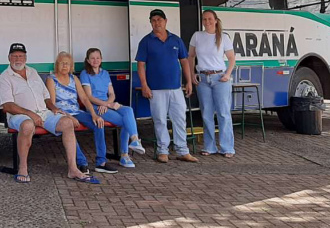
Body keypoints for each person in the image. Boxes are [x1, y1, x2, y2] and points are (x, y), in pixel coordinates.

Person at [0, 42, 100, 184]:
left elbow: (46, 96)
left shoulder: (33, 72)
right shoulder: (4, 78)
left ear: (25, 58)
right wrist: (31, 114)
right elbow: (7, 106)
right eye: (14, 56)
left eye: (21, 56)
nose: (18, 59)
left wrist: (53, 107)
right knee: (27, 126)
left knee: (67, 123)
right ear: (9, 58)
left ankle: (73, 169)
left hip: (43, 112)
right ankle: (23, 168)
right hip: (19, 115)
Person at [136, 9, 199, 163]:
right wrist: (144, 85)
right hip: (156, 89)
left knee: (179, 119)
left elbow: (184, 61)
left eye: (159, 20)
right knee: (160, 120)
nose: (157, 23)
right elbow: (141, 65)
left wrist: (189, 81)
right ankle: (162, 150)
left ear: (165, 21)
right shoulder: (146, 41)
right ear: (150, 22)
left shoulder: (176, 40)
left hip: (176, 88)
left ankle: (182, 151)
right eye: (153, 20)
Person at [45, 52, 113, 173]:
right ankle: (81, 162)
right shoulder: (51, 80)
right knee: (69, 127)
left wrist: (94, 114)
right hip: (61, 114)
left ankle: (101, 162)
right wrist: (69, 117)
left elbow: (85, 98)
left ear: (71, 66)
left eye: (67, 63)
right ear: (57, 65)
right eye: (62, 63)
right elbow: (53, 105)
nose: (65, 66)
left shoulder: (74, 78)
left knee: (99, 124)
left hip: (77, 111)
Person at [80, 48, 146, 170]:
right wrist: (107, 105)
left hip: (105, 105)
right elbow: (89, 96)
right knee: (125, 121)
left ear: (101, 59)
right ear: (88, 60)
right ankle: (124, 155)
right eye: (92, 58)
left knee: (128, 110)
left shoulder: (105, 73)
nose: (95, 60)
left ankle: (135, 140)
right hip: (95, 108)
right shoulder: (85, 74)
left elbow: (112, 94)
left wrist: (107, 104)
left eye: (98, 58)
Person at [189, 10, 237, 157]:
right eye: (204, 19)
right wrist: (192, 75)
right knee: (206, 114)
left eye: (210, 19)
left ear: (216, 20)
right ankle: (210, 147)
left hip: (219, 78)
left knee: (223, 113)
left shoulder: (223, 37)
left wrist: (228, 75)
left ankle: (227, 148)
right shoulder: (197, 36)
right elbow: (190, 57)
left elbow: (231, 58)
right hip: (203, 78)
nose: (207, 22)